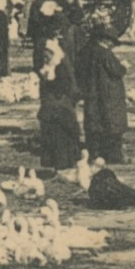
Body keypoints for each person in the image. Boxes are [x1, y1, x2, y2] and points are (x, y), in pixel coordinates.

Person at [80, 12, 130, 164]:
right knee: (112, 125)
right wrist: (124, 66)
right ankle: (113, 155)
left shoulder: (86, 50)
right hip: (108, 93)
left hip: (92, 91)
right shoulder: (105, 53)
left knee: (94, 124)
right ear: (106, 40)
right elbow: (116, 71)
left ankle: (94, 154)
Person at [37, 31, 83, 172]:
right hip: (52, 109)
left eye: (48, 54)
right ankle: (57, 165)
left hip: (60, 109)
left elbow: (63, 87)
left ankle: (64, 165)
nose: (45, 57)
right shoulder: (49, 68)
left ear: (54, 54)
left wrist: (48, 81)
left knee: (62, 139)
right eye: (44, 55)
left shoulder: (61, 67)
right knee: (53, 138)